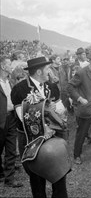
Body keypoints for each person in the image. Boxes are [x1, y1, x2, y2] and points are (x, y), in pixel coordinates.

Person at [10, 56, 68, 197]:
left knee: (59, 173)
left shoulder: (52, 87)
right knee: (36, 176)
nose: (50, 72)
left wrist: (56, 109)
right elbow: (23, 117)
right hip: (31, 139)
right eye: (48, 69)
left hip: (53, 136)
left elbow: (62, 110)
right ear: (39, 72)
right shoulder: (20, 89)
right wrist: (45, 111)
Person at [0, 56, 23, 188]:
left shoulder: (9, 82)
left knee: (11, 149)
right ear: (3, 66)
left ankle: (9, 178)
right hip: (1, 119)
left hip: (11, 118)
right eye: (9, 64)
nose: (11, 66)